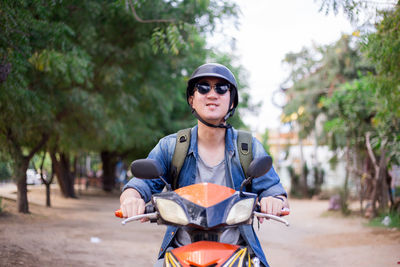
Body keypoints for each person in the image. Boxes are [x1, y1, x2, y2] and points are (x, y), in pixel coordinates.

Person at [119, 63, 288, 267]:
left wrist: (274, 200)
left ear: (232, 101)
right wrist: (131, 199)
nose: (212, 94)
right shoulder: (172, 146)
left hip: (239, 253)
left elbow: (272, 188)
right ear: (192, 99)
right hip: (181, 251)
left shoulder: (247, 147)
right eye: (203, 87)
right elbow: (140, 184)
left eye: (222, 88)